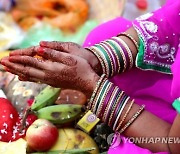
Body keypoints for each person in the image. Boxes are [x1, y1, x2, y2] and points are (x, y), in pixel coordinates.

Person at [1, 0, 180, 153]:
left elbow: (174, 145)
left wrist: (93, 87)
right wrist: (95, 58)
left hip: (170, 138)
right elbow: (170, 20)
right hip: (170, 83)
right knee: (103, 35)